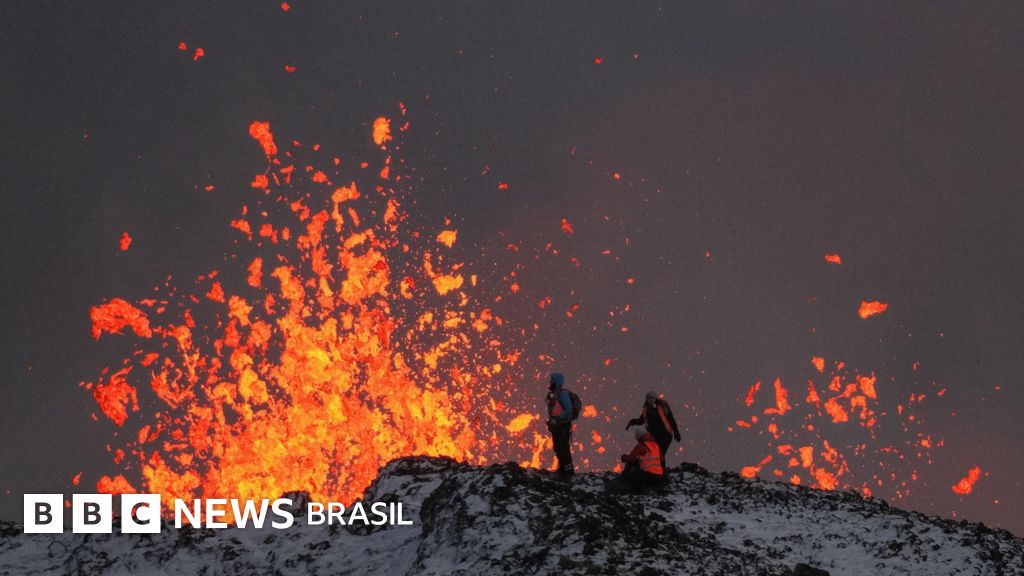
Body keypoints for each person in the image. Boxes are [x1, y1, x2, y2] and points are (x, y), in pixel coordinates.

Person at [626, 390, 681, 470]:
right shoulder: (646, 409)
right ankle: (659, 472)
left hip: (665, 434)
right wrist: (633, 421)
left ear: (655, 398)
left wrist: (676, 432)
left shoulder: (663, 406)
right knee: (655, 453)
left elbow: (670, 419)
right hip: (654, 436)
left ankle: (662, 473)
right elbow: (641, 420)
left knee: (660, 453)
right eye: (648, 399)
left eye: (652, 398)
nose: (650, 400)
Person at [618, 427, 664, 492]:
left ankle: (627, 485)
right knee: (638, 461)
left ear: (638, 438)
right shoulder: (656, 445)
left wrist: (624, 457)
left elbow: (630, 458)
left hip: (649, 476)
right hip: (659, 477)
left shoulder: (641, 445)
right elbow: (661, 460)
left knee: (632, 470)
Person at [546, 372, 574, 477]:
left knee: (563, 447)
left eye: (552, 381)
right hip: (557, 426)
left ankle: (568, 471)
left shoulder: (562, 394)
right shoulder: (555, 394)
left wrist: (557, 418)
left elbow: (569, 409)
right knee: (557, 447)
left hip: (563, 426)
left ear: (556, 382)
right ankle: (563, 469)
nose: (550, 382)